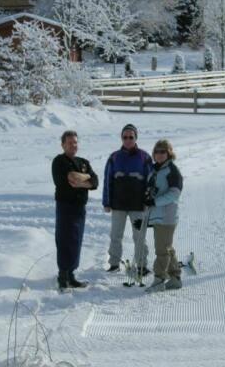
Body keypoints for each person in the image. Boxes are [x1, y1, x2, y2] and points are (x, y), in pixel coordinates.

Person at [103, 124, 153, 275]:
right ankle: (114, 264)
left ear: (136, 138)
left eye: (131, 137)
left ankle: (142, 265)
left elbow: (150, 181)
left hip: (138, 205)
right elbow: (107, 180)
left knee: (139, 236)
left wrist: (148, 201)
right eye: (125, 137)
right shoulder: (114, 157)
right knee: (115, 235)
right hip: (118, 204)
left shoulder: (144, 157)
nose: (128, 140)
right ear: (121, 138)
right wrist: (106, 202)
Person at [52, 130, 98, 289]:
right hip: (65, 206)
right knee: (65, 239)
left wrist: (81, 180)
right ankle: (63, 276)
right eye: (70, 142)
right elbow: (70, 178)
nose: (73, 145)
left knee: (76, 241)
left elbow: (95, 181)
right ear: (63, 144)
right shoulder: (59, 161)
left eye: (75, 142)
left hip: (80, 207)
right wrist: (85, 179)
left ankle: (71, 274)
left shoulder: (83, 161)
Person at [142, 140, 183, 292]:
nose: (159, 154)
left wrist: (155, 201)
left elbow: (175, 193)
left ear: (169, 153)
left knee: (161, 249)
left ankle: (159, 280)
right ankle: (175, 278)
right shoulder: (155, 169)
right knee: (167, 247)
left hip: (166, 216)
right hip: (158, 215)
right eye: (156, 151)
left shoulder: (172, 170)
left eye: (162, 152)